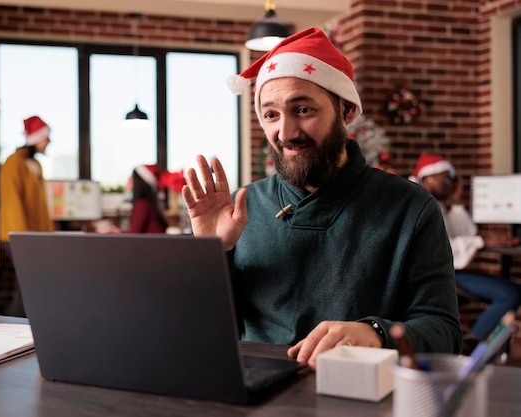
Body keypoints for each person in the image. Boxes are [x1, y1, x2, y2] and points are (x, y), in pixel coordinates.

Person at [181, 27, 463, 370]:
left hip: (362, 394)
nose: (285, 133)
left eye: (302, 110)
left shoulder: (411, 209)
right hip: (256, 395)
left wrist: (374, 333)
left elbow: (445, 334)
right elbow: (200, 331)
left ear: (345, 110)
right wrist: (212, 252)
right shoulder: (241, 207)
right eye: (271, 114)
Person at [410, 154, 521, 352]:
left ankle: (473, 334)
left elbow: (467, 233)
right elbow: (438, 248)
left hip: (448, 270)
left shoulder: (435, 203)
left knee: (511, 291)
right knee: (510, 293)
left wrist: (456, 201)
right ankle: (469, 346)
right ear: (429, 178)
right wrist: (481, 241)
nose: (450, 183)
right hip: (433, 274)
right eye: (446, 178)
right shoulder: (418, 204)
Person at [0, 115, 54, 316]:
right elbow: (13, 203)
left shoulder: (35, 165)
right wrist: (21, 238)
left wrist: (48, 233)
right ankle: (16, 325)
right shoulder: (13, 163)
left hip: (34, 237)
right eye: (46, 137)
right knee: (27, 284)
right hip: (18, 236)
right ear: (36, 138)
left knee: (32, 284)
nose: (49, 142)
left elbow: (40, 205)